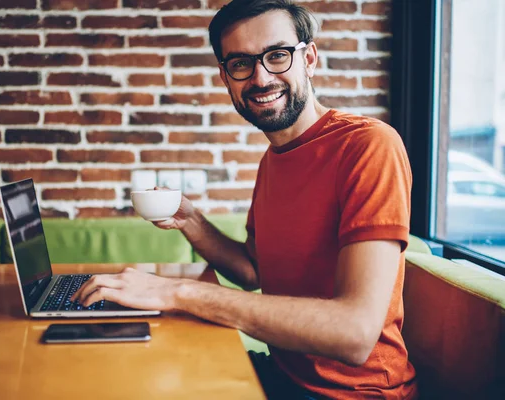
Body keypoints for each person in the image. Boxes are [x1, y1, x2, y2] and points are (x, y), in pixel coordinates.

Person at [71, 0, 418, 398]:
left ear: (310, 58)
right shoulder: (273, 160)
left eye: (277, 55)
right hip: (285, 378)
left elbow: (354, 334)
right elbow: (254, 271)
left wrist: (177, 293)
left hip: (353, 394)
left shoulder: (368, 146)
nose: (260, 77)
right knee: (129, 372)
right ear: (225, 77)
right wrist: (191, 221)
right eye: (241, 63)